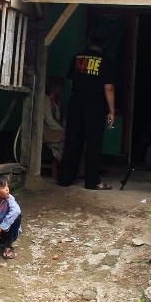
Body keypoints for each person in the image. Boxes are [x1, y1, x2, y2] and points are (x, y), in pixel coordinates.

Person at [58, 39, 116, 190]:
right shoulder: (105, 60)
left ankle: (64, 179)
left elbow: (70, 81)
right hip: (95, 106)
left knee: (72, 141)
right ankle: (92, 182)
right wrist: (112, 110)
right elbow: (108, 87)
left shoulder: (77, 57)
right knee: (93, 144)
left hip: (76, 103)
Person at [43, 78, 65, 180]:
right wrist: (61, 130)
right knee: (64, 137)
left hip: (53, 128)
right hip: (45, 130)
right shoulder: (44, 99)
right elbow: (48, 119)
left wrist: (55, 103)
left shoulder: (54, 100)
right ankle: (62, 163)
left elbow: (58, 117)